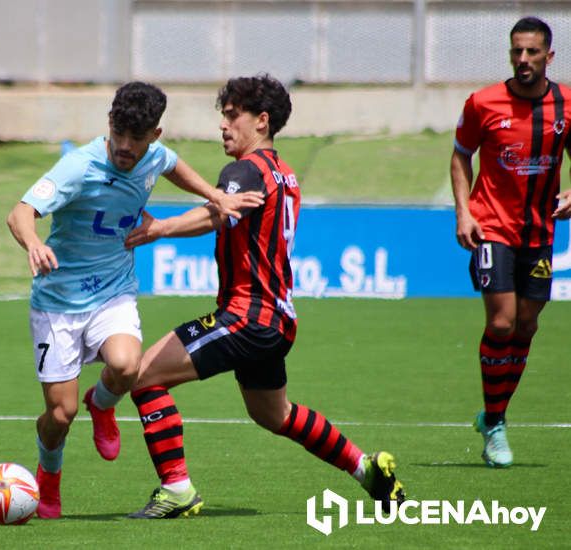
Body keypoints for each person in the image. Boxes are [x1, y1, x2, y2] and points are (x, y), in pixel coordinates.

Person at [121, 74, 406, 519]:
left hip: (246, 316)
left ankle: (176, 489)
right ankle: (367, 470)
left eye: (233, 116)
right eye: (224, 117)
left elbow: (220, 211)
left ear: (262, 121)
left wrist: (159, 229)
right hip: (276, 319)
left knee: (141, 376)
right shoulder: (284, 172)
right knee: (275, 415)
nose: (224, 126)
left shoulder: (243, 170)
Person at [6, 81, 262, 519]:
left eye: (136, 139)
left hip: (113, 291)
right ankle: (48, 477)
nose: (125, 147)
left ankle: (102, 403)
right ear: (110, 124)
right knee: (60, 415)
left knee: (127, 364)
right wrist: (32, 242)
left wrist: (213, 195)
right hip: (58, 302)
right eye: (118, 134)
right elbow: (20, 212)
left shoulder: (155, 155)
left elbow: (175, 166)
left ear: (154, 136)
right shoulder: (78, 166)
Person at [451, 16, 571, 468]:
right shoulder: (483, 103)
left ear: (549, 56)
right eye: (516, 51)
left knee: (526, 325)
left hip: (540, 231)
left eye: (532, 52)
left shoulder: (567, 105)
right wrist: (463, 212)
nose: (523, 60)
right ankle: (497, 425)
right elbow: (461, 155)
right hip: (492, 227)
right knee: (501, 323)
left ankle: (493, 414)